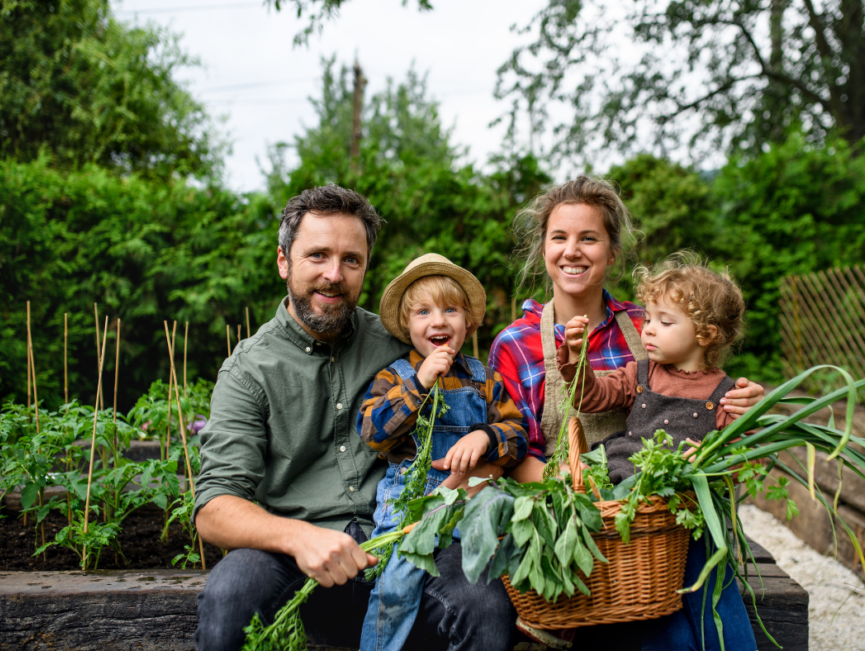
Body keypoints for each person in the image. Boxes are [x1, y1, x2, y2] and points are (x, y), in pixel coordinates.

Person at [192, 185, 517, 651]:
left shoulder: (401, 346)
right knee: (229, 593)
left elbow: (480, 416)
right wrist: (300, 538)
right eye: (317, 255)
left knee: (484, 605)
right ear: (283, 261)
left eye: (351, 260)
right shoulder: (249, 371)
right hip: (296, 557)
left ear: (365, 266)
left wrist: (478, 465)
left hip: (409, 539)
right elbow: (215, 509)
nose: (333, 275)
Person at [487, 177, 765, 650]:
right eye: (559, 237)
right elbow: (512, 454)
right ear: (544, 248)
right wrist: (588, 497)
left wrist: (742, 403)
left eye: (589, 238)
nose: (572, 251)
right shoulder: (515, 343)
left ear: (612, 252)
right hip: (577, 530)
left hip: (659, 533)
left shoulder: (650, 324)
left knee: (686, 619)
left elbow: (694, 396)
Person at [559, 252, 757, 650]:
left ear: (706, 334)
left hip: (686, 515)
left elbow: (740, 464)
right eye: (648, 318)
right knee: (656, 616)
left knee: (712, 592)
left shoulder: (726, 396)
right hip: (630, 502)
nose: (648, 330)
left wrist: (708, 462)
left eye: (665, 322)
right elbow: (591, 395)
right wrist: (576, 358)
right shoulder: (642, 372)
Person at [357, 254, 528, 651]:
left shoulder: (485, 379)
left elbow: (518, 436)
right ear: (407, 325)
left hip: (470, 501)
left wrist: (485, 436)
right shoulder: (395, 376)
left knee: (501, 563)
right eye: (423, 312)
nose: (438, 321)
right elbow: (372, 432)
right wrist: (419, 383)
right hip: (411, 504)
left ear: (468, 322)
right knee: (395, 587)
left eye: (451, 310)